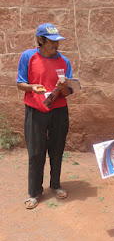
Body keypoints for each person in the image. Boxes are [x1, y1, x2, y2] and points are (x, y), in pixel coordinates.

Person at [17, 23, 73, 209]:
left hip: (59, 111)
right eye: (52, 41)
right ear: (40, 40)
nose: (56, 45)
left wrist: (64, 88)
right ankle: (34, 192)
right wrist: (32, 87)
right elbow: (20, 83)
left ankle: (55, 185)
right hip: (35, 111)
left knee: (57, 149)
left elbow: (68, 92)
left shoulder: (64, 61)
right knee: (36, 152)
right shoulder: (28, 56)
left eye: (58, 41)